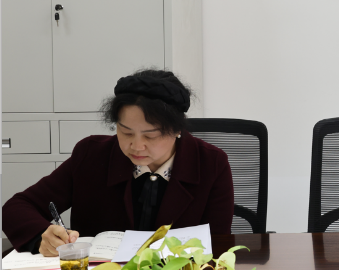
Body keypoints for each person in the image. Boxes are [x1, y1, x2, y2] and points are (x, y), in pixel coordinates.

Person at [2, 70, 233, 256]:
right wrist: (42, 236)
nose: (137, 146)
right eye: (126, 132)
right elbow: (17, 207)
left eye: (151, 136)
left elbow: (218, 245)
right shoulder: (91, 155)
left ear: (177, 130)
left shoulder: (211, 163)